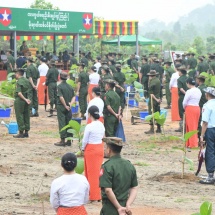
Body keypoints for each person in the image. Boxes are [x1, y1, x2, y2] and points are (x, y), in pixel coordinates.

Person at [99, 137, 138, 215]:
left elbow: (108, 190)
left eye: (106, 147)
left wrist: (118, 207)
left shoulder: (107, 166)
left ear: (109, 150)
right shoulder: (129, 165)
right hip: (125, 207)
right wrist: (128, 204)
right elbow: (134, 188)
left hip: (110, 208)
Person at [82, 105, 105, 202]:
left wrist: (83, 149)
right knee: (97, 172)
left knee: (91, 174)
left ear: (90, 114)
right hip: (100, 148)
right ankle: (96, 194)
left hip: (91, 149)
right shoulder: (101, 124)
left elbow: (85, 140)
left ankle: (94, 196)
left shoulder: (89, 126)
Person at [199, 87, 215, 184]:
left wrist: (202, 135)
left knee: (210, 151)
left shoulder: (207, 105)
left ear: (207, 95)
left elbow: (205, 122)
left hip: (211, 130)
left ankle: (210, 176)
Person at [55, 72, 75, 147]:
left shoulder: (59, 86)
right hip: (69, 107)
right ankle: (69, 140)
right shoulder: (70, 87)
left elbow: (60, 97)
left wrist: (65, 105)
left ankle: (62, 140)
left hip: (61, 106)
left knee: (62, 123)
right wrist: (70, 104)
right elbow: (74, 97)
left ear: (60, 77)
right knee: (69, 123)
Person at [183, 78, 202, 149]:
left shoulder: (189, 91)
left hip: (190, 108)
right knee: (194, 125)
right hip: (197, 108)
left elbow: (184, 102)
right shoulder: (198, 90)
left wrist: (184, 108)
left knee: (190, 126)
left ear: (188, 83)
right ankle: (189, 143)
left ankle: (193, 144)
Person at [13, 69, 31, 138]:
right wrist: (28, 99)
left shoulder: (19, 82)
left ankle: (21, 132)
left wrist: (25, 99)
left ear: (18, 74)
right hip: (27, 100)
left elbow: (19, 93)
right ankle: (26, 132)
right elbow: (29, 91)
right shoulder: (27, 80)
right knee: (26, 115)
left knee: (19, 115)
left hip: (20, 100)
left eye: (15, 74)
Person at [175, 66, 188, 132]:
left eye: (179, 71)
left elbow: (181, 89)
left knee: (181, 111)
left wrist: (186, 94)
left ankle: (182, 127)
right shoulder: (188, 78)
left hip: (183, 96)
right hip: (189, 97)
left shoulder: (179, 79)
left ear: (181, 72)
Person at [196, 75, 207, 140]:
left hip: (200, 107)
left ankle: (200, 135)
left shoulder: (198, 89)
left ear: (199, 81)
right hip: (207, 107)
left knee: (200, 122)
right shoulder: (207, 88)